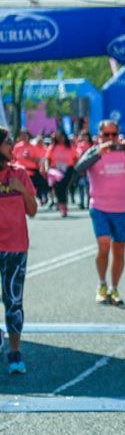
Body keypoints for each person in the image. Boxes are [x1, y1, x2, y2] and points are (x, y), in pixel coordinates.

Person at [74, 119, 125, 306]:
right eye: (106, 135)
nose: (110, 139)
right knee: (103, 246)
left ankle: (114, 288)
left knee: (119, 250)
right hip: (99, 207)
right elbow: (79, 168)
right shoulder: (95, 152)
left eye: (113, 135)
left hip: (122, 208)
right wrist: (97, 153)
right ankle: (101, 284)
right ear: (99, 136)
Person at [0, 128, 36, 374]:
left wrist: (21, 190)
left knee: (13, 301)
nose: (13, 145)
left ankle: (14, 352)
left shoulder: (20, 174)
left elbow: (32, 210)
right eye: (8, 141)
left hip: (15, 247)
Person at [43, 129, 76, 217]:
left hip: (68, 169)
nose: (60, 139)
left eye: (62, 137)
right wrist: (47, 168)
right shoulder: (52, 147)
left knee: (64, 187)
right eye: (58, 137)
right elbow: (47, 158)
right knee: (58, 189)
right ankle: (62, 207)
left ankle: (64, 206)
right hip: (56, 171)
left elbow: (76, 158)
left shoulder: (70, 147)